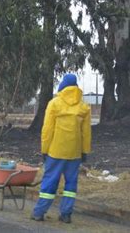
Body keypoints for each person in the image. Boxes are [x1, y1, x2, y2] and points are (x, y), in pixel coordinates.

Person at [31, 74, 91, 223]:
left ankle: (39, 212)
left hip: (56, 152)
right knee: (71, 184)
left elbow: (47, 130)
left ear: (62, 85)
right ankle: (66, 214)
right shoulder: (83, 107)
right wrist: (84, 151)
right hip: (74, 153)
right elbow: (86, 133)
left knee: (50, 181)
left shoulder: (54, 104)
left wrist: (44, 149)